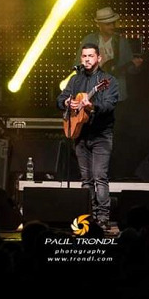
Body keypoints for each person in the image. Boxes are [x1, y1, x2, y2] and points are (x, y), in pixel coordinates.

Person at [57, 43, 119, 230]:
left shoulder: (108, 80)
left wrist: (91, 106)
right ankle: (88, 216)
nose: (87, 59)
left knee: (100, 177)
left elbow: (109, 105)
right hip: (80, 134)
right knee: (86, 179)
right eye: (84, 56)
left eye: (91, 56)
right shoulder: (75, 80)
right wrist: (67, 102)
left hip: (101, 134)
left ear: (99, 58)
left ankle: (102, 218)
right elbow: (60, 99)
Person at [77, 6, 142, 101]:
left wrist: (136, 66)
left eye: (113, 23)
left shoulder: (121, 42)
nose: (112, 26)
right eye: (108, 24)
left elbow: (130, 69)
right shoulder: (89, 40)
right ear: (99, 25)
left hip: (116, 94)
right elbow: (78, 65)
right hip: (93, 94)